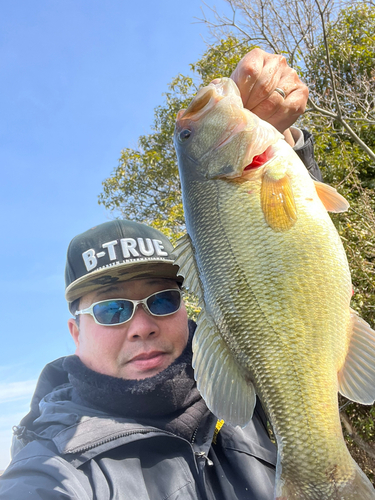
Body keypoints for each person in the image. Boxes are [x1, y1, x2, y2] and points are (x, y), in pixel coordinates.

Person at [0, 49, 322, 499]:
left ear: (185, 305)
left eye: (162, 300)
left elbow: (295, 276)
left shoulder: (247, 387)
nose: (142, 327)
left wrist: (280, 142)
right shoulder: (52, 471)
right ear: (75, 332)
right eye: (112, 309)